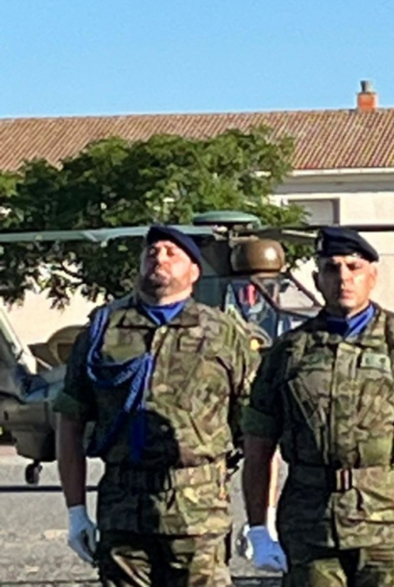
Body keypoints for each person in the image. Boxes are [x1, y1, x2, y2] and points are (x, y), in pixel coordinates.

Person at [240, 226, 394, 586]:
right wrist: (257, 526)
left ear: (372, 276)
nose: (343, 278)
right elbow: (258, 445)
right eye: (332, 269)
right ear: (317, 279)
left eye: (353, 267)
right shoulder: (289, 351)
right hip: (310, 525)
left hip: (392, 525)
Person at [54, 226, 259, 586]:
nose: (158, 258)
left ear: (194, 272)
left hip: (199, 514)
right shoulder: (104, 328)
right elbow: (70, 419)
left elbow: (257, 428)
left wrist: (261, 520)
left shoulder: (225, 334)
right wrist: (75, 512)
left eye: (171, 253)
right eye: (152, 251)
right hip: (123, 512)